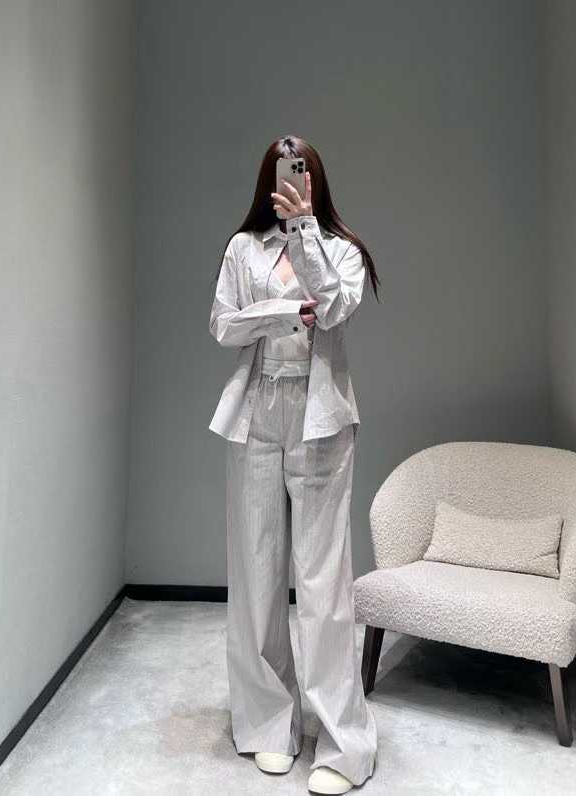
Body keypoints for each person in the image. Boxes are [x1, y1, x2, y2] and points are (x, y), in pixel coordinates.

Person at [208, 135, 381, 794]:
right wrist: (283, 311)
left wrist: (307, 230)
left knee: (323, 584)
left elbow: (334, 307)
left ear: (315, 179)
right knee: (256, 575)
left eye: (301, 170)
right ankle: (265, 725)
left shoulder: (342, 249)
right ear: (267, 178)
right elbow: (224, 325)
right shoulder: (242, 248)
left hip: (320, 421)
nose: (292, 178)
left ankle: (343, 744)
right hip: (257, 415)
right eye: (283, 170)